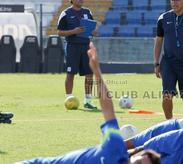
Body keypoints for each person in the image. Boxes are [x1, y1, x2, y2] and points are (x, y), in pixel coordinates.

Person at [17, 43, 161, 164]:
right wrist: (97, 72)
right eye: (140, 161)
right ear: (136, 154)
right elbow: (108, 110)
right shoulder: (116, 147)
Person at [57, 0, 98, 110]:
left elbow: (92, 28)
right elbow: (59, 32)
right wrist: (73, 31)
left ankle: (88, 100)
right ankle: (69, 99)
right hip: (72, 46)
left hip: (86, 46)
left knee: (89, 74)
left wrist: (94, 31)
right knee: (70, 73)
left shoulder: (87, 12)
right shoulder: (66, 13)